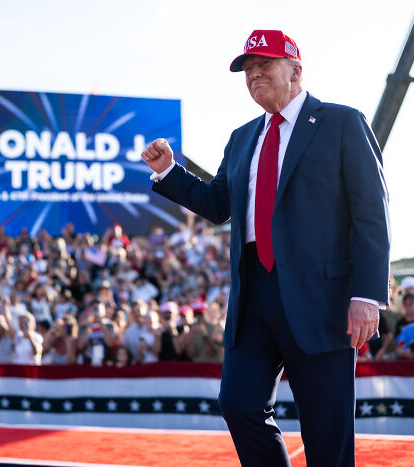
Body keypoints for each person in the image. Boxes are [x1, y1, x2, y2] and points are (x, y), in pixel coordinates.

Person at [141, 30, 390, 466]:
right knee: (238, 403)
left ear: (296, 70)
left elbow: (371, 213)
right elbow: (219, 205)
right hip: (254, 295)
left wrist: (366, 295)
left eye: (263, 65)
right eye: (247, 70)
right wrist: (169, 173)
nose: (253, 75)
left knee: (326, 426)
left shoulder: (341, 122)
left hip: (323, 299)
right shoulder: (242, 138)